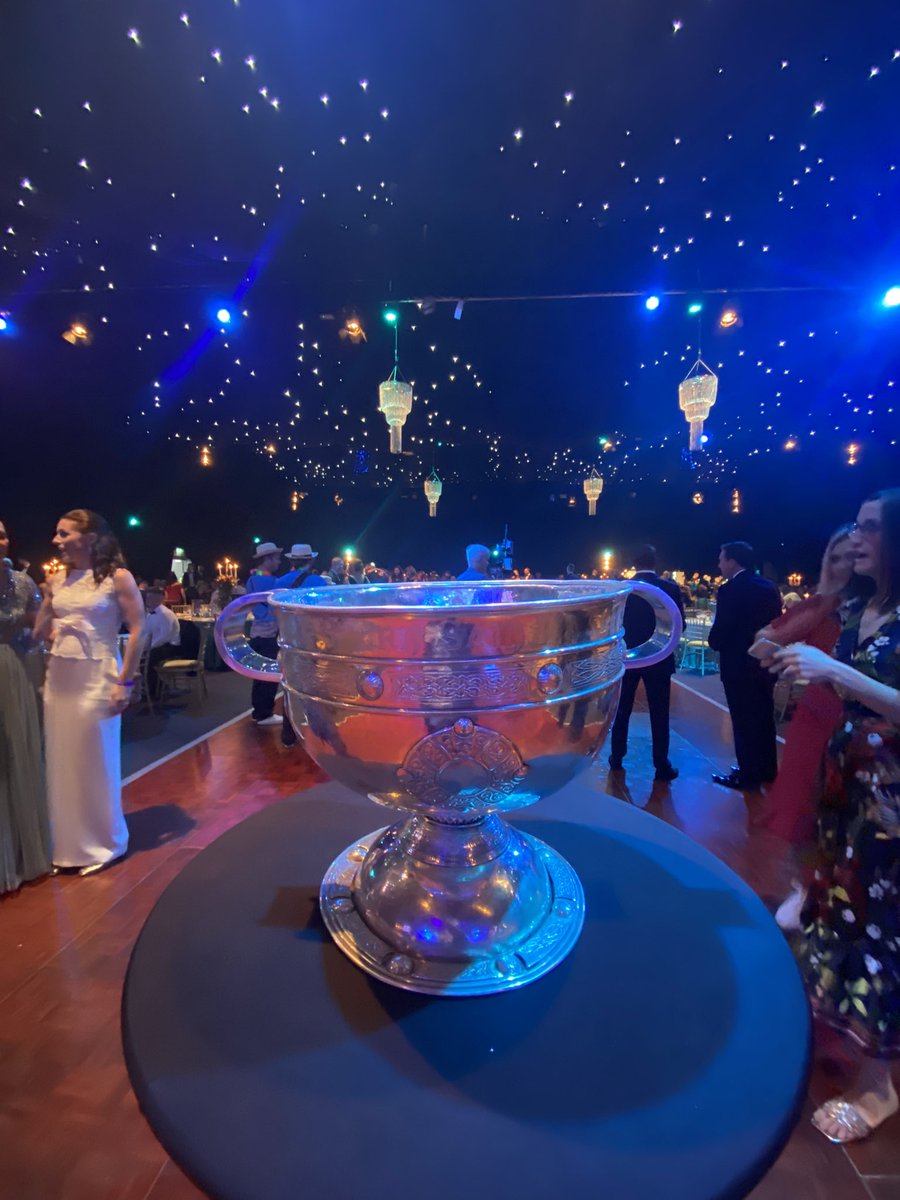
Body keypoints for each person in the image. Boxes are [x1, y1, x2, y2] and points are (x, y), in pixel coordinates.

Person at [772, 489, 900, 1143]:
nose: (857, 537)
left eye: (870, 527)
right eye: (855, 525)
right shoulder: (859, 608)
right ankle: (833, 1028)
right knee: (836, 913)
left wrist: (836, 674)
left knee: (883, 935)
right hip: (844, 789)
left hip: (890, 806)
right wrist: (813, 671)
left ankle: (879, 1088)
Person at [750, 526, 863, 927]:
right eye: (836, 557)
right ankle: (805, 889)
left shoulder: (880, 611)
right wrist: (818, 612)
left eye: (853, 556)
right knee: (803, 810)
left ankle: (833, 896)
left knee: (852, 819)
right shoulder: (821, 606)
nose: (845, 565)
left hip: (860, 725)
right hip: (816, 718)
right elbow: (762, 642)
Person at [34, 509, 144, 875]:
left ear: (91, 537)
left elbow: (138, 629)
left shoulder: (117, 578)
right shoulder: (58, 579)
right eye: (57, 533)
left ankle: (105, 843)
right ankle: (66, 845)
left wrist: (125, 682)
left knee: (95, 759)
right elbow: (40, 633)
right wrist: (47, 603)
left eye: (64, 533)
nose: (56, 540)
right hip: (60, 675)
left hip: (98, 674)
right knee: (62, 759)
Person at [707, 541, 782, 791]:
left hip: (738, 664)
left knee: (742, 720)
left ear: (732, 561)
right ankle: (768, 770)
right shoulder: (769, 587)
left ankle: (748, 776)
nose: (719, 564)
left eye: (721, 559)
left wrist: (714, 642)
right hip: (765, 662)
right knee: (764, 716)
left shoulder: (730, 590)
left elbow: (723, 628)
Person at [0, 520, 50, 892]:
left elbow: (38, 629)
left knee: (16, 755)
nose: (1, 540)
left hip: (12, 671)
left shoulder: (21, 581)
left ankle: (17, 852)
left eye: (2, 534)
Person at [608, 546, 684, 782]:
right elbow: (679, 625)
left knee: (622, 710)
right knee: (660, 713)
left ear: (635, 563)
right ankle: (661, 764)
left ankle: (616, 757)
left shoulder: (622, 588)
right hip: (659, 659)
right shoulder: (670, 588)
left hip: (627, 658)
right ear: (654, 562)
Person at [143, 585, 182, 698]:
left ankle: (153, 691)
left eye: (151, 597)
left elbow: (165, 636)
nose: (147, 600)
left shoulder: (165, 614)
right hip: (158, 645)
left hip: (170, 647)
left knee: (149, 659)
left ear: (160, 598)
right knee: (139, 657)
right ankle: (152, 687)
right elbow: (146, 633)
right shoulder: (150, 614)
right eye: (147, 597)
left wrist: (149, 647)